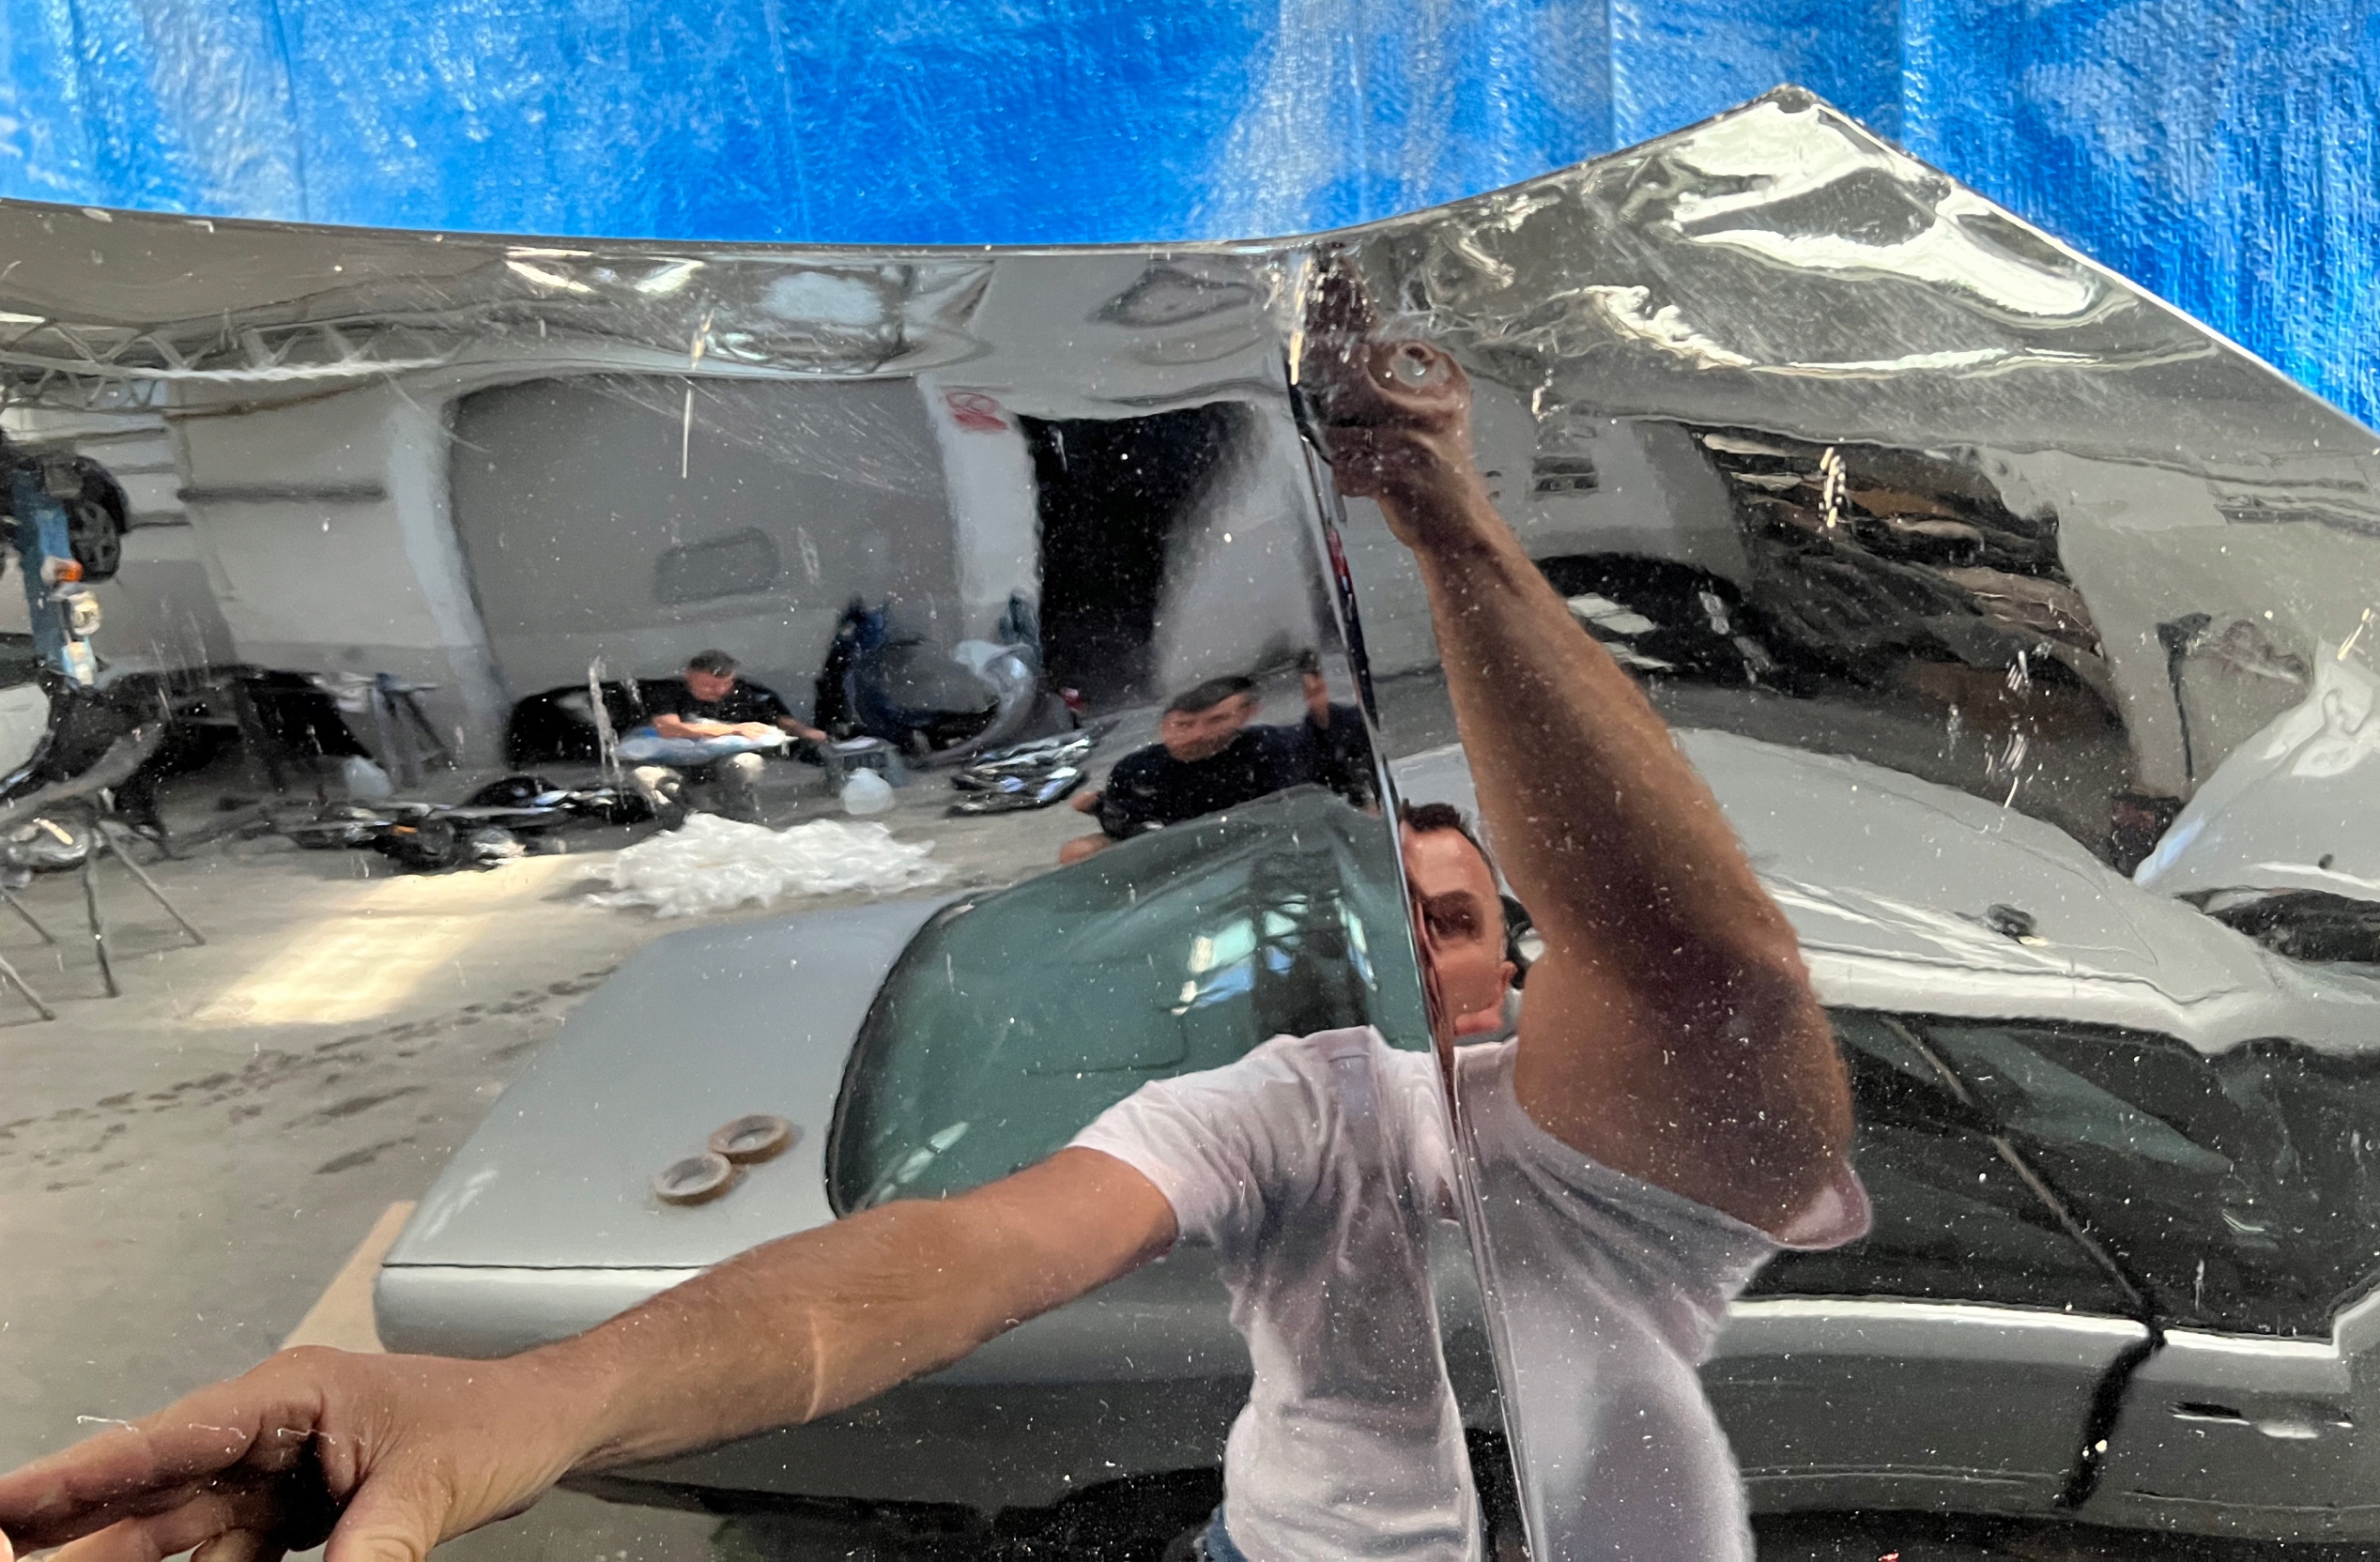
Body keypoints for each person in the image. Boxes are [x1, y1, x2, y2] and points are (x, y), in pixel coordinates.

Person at [0, 313, 1860, 1562]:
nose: (1422, 942)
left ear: (1527, 962)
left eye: (1457, 917)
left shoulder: (1617, 1170)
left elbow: (1704, 972)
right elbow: (934, 1268)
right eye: (1399, 904)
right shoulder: (1306, 1103)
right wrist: (530, 1403)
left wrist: (1442, 520)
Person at [1055, 673, 1310, 865]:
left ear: (1246, 714)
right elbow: (1125, 826)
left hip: (1251, 851)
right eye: (1183, 725)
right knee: (1078, 852)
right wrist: (1100, 807)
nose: (1198, 734)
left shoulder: (1273, 750)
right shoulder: (1137, 770)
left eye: (1216, 720)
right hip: (1170, 855)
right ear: (1164, 726)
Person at [625, 651, 821, 826]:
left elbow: (780, 719)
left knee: (746, 763)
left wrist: (806, 732)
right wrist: (733, 730)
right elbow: (669, 728)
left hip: (721, 764)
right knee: (643, 776)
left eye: (725, 683)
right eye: (708, 685)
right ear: (689, 676)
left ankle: (744, 820)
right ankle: (677, 825)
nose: (719, 691)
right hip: (671, 765)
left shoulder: (746, 693)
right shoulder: (667, 693)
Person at [1292, 648, 1375, 806]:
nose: (1316, 697)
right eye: (1312, 692)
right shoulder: (1303, 742)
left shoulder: (1354, 722)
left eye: (1318, 690)